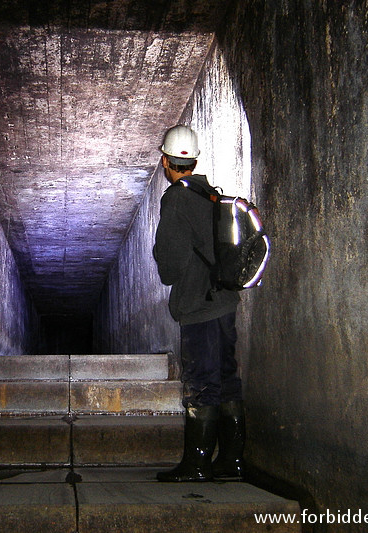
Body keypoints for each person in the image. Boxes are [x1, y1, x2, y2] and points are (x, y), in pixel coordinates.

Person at [153, 125, 246, 482]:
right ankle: (233, 460)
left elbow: (170, 267)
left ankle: (196, 464)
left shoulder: (176, 198)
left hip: (199, 307)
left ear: (166, 161)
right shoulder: (211, 195)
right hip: (224, 302)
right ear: (194, 161)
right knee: (226, 379)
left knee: (201, 382)